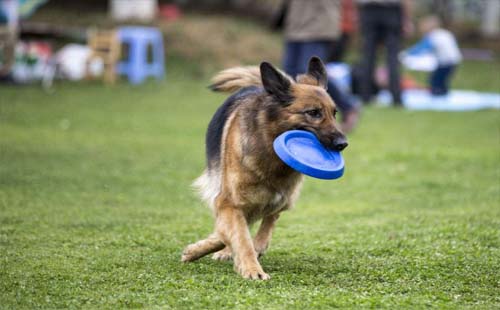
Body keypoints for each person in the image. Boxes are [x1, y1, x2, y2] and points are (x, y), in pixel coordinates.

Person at [282, 0, 360, 133]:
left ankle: (348, 105)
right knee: (289, 73)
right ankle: (294, 118)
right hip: (295, 25)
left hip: (318, 25)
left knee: (309, 74)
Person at [356, 0, 413, 106]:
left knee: (368, 57)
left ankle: (365, 97)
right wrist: (407, 19)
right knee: (392, 57)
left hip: (369, 11)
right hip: (391, 11)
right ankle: (396, 98)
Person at [404, 16, 461, 95]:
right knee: (442, 79)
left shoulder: (432, 36)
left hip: (445, 62)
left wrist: (407, 53)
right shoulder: (445, 33)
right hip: (454, 61)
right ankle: (443, 92)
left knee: (435, 79)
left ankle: (437, 93)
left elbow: (422, 48)